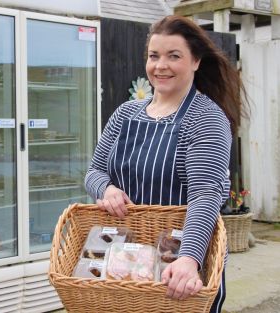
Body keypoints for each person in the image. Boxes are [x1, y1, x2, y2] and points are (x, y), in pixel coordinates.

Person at [85, 15, 247, 313]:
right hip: (126, 259)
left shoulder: (205, 119)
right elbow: (95, 171)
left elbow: (205, 195)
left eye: (174, 56)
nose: (161, 66)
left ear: (196, 61)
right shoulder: (126, 113)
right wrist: (106, 189)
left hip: (178, 264)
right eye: (154, 56)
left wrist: (188, 260)